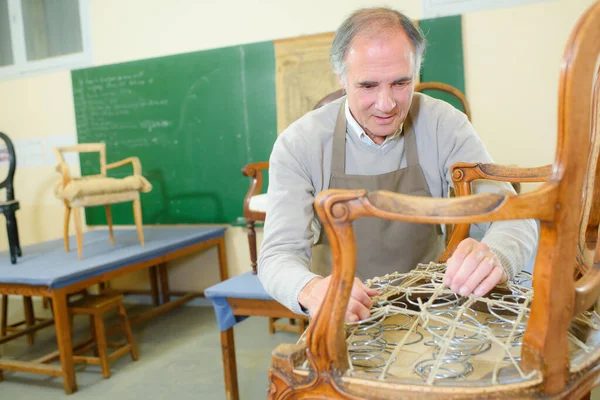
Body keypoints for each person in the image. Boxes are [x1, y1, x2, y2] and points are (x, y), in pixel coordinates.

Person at [258, 7, 538, 323]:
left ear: (416, 71)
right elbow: (276, 257)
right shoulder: (300, 144)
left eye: (401, 83)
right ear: (341, 77)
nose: (386, 104)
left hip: (434, 309)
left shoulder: (444, 125)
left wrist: (495, 255)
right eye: (368, 86)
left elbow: (517, 217)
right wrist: (310, 289)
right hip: (346, 319)